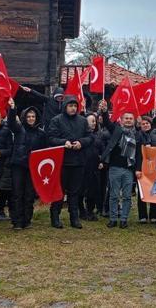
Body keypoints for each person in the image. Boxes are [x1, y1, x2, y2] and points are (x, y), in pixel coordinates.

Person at [46, 94, 92, 229]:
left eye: (75, 106)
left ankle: (74, 218)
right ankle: (55, 216)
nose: (72, 108)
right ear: (65, 106)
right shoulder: (56, 120)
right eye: (70, 106)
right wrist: (63, 142)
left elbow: (90, 137)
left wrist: (81, 143)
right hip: (62, 162)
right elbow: (50, 138)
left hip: (78, 162)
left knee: (75, 192)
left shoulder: (83, 121)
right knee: (59, 192)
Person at [100, 111, 144, 228]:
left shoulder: (138, 134)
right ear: (121, 120)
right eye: (126, 118)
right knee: (114, 195)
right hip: (114, 167)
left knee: (127, 196)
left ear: (134, 121)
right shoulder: (116, 130)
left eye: (131, 118)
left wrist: (138, 169)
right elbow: (107, 123)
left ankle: (124, 219)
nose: (129, 120)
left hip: (129, 169)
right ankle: (113, 219)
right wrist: (104, 112)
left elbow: (139, 154)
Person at [10, 106, 46, 229]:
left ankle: (27, 220)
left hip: (33, 167)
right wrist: (13, 109)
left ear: (37, 118)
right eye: (28, 116)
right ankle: (17, 221)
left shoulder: (41, 133)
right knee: (17, 193)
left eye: (33, 116)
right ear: (24, 117)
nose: (31, 119)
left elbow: (44, 150)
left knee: (29, 194)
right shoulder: (19, 129)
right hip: (18, 165)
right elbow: (11, 122)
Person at [81, 112, 109, 221]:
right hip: (83, 166)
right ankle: (81, 210)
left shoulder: (99, 135)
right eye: (90, 121)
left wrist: (102, 161)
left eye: (94, 121)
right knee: (82, 190)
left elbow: (103, 150)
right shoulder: (81, 135)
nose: (93, 123)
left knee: (93, 190)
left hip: (95, 167)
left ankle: (90, 210)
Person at [136, 115, 154, 223]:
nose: (146, 125)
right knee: (141, 192)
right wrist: (137, 168)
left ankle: (153, 215)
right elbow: (137, 154)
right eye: (143, 124)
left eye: (147, 123)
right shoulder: (138, 136)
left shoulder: (155, 135)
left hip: (153, 167)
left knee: (154, 191)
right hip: (141, 166)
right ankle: (142, 215)